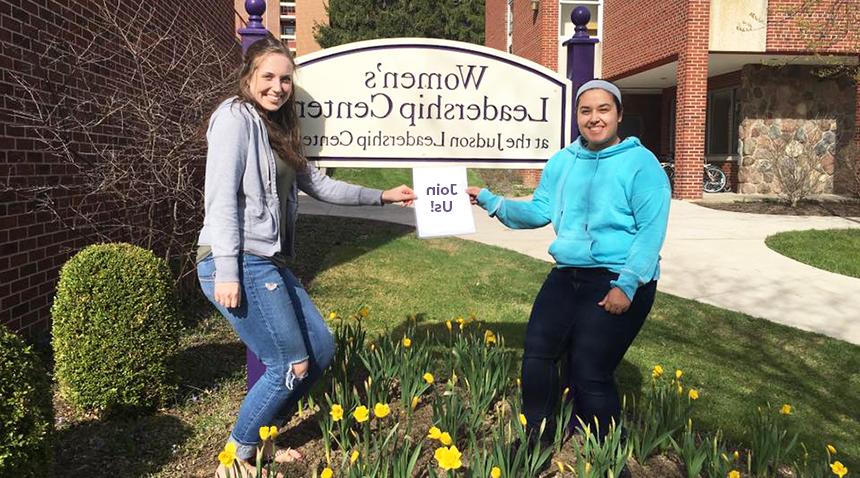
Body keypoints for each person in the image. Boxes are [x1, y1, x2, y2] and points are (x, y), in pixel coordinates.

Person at [196, 35, 415, 476]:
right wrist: (228, 271)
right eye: (268, 77)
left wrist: (383, 196)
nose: (277, 87)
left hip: (267, 261)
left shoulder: (278, 127)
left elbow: (320, 184)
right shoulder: (234, 118)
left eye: (285, 80)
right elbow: (220, 199)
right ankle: (235, 459)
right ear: (248, 77)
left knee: (319, 347)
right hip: (238, 259)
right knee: (288, 363)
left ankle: (264, 438)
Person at [467, 79, 670, 443]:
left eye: (603, 109)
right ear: (576, 116)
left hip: (620, 276)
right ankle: (537, 439)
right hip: (568, 275)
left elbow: (650, 232)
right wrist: (491, 201)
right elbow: (539, 211)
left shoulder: (642, 164)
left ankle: (607, 452)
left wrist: (626, 285)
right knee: (537, 358)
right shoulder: (563, 161)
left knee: (590, 370)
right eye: (585, 110)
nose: (594, 118)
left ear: (619, 115)